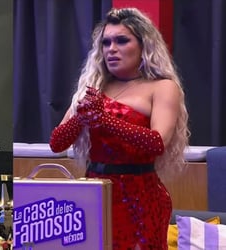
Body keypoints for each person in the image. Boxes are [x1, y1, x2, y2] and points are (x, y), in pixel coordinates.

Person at [49, 7, 189, 249]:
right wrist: (81, 117)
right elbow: (57, 143)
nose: (111, 49)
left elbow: (157, 143)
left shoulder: (162, 87)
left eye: (122, 40)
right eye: (106, 43)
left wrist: (105, 119)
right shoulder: (92, 87)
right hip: (95, 194)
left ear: (144, 45)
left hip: (141, 197)